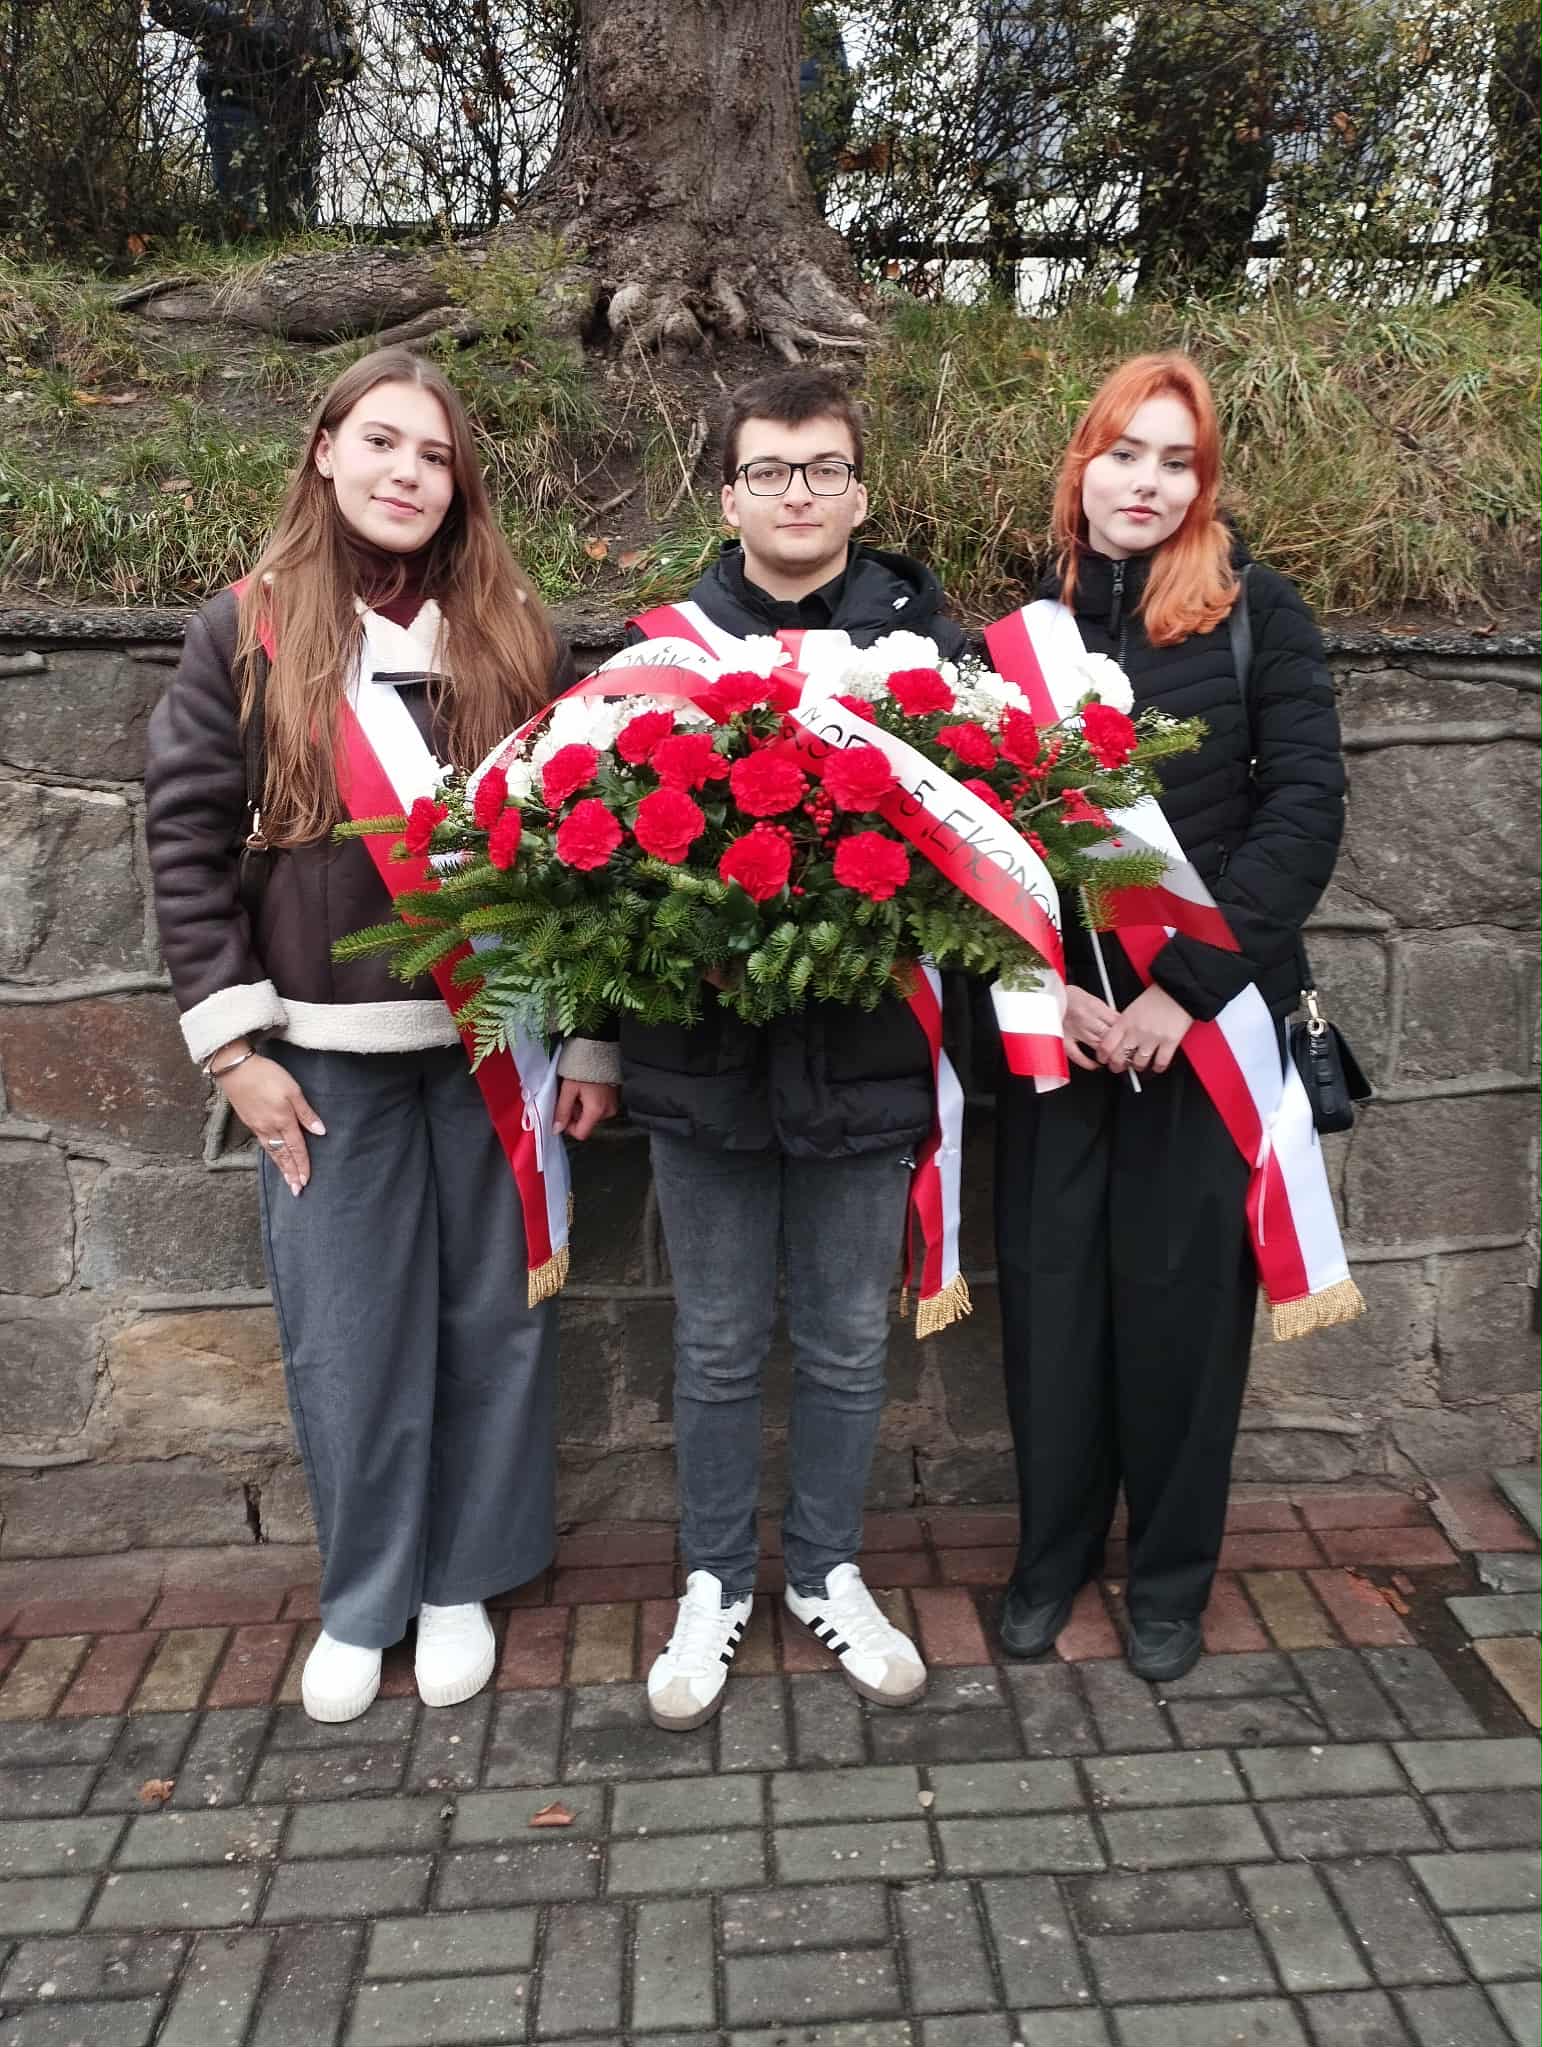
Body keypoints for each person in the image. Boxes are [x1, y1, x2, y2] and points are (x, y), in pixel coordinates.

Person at [144, 346, 619, 1723]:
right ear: (325, 450)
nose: (407, 473)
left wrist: (589, 1038)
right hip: (323, 1056)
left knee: (494, 1318)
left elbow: (586, 853)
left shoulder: (512, 633)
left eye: (434, 455)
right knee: (349, 1336)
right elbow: (184, 842)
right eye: (381, 442)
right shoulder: (243, 630)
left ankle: (463, 1576)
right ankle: (366, 1593)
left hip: (493, 1043)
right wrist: (236, 1051)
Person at [985, 353, 1346, 1684]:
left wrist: (1175, 992)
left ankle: (1170, 1578)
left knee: (1184, 1316)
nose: (1145, 481)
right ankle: (1051, 1556)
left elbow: (1302, 814)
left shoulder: (1259, 613)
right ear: (1081, 465)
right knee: (1052, 1307)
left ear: (1203, 482)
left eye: (1175, 460)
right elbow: (977, 849)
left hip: (1200, 1034)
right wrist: (1052, 992)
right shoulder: (1011, 643)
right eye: (1123, 453)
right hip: (1061, 1032)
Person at [623, 367, 967, 1731]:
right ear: (728, 497)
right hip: (700, 1056)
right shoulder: (660, 650)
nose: (798, 493)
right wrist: (588, 1047)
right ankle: (714, 1580)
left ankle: (826, 1569)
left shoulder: (936, 651)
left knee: (841, 1343)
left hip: (865, 1053)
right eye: (768, 470)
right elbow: (591, 875)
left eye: (823, 468)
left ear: (860, 492)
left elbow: (985, 857)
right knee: (714, 1344)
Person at [148, 0, 359, 228]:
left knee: (299, 228)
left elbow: (348, 49)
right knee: (239, 221)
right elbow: (166, 7)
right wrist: (237, 26)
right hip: (238, 100)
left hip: (299, 112)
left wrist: (329, 55)